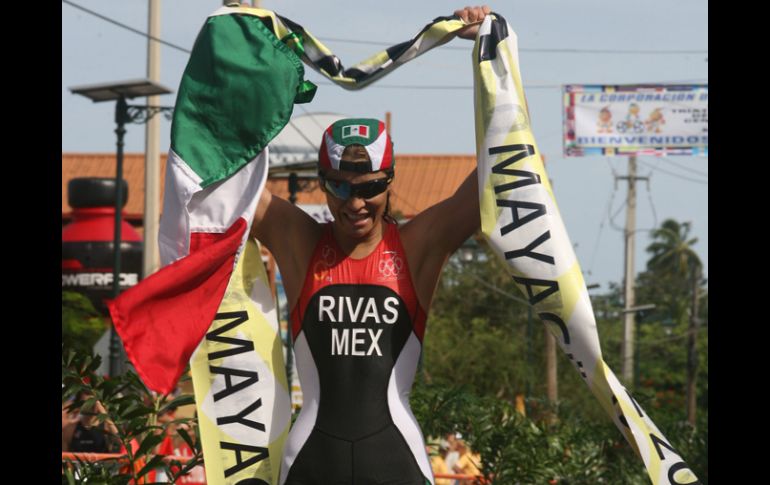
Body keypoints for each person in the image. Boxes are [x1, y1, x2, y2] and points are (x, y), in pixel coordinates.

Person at [251, 6, 491, 484]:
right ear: (322, 183)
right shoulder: (300, 242)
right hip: (311, 459)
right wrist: (241, 41)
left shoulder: (417, 246)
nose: (355, 202)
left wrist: (489, 58)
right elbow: (230, 180)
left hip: (394, 458)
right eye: (340, 186)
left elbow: (498, 171)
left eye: (369, 187)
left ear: (389, 183)